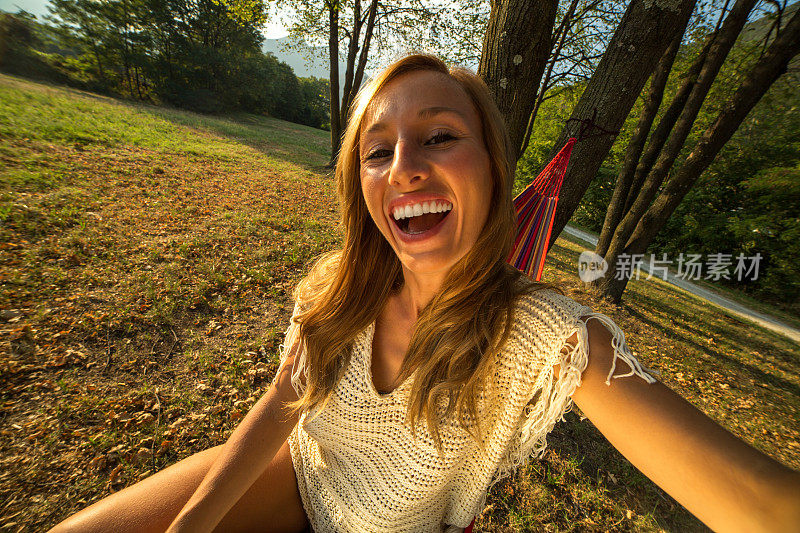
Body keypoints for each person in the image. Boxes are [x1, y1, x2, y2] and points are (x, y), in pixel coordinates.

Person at [51, 54, 800, 533]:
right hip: (297, 480)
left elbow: (761, 502)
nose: (404, 165)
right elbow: (286, 396)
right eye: (379, 150)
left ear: (493, 167)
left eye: (439, 136)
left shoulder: (544, 339)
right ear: (362, 182)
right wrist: (192, 523)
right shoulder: (337, 282)